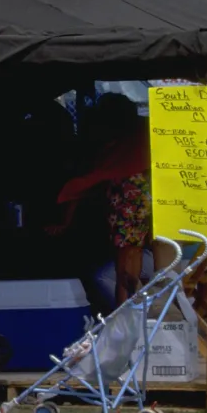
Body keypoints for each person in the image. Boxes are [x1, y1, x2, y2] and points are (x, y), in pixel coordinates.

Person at [55, 93, 155, 307]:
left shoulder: (112, 149)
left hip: (123, 209)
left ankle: (124, 313)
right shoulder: (142, 137)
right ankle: (131, 312)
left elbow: (88, 181)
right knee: (131, 261)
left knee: (123, 267)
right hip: (139, 207)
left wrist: (65, 218)